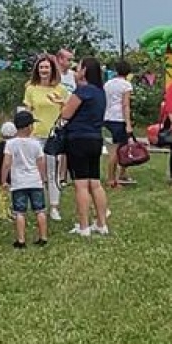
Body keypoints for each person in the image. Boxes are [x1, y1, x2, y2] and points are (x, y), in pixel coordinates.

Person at [57, 56, 111, 236]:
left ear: (85, 71)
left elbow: (66, 114)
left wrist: (62, 104)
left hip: (78, 139)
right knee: (95, 183)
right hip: (95, 138)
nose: (75, 70)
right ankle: (102, 223)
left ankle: (83, 225)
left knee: (80, 184)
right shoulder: (100, 92)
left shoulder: (82, 91)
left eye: (78, 67)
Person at [22, 55, 68, 219]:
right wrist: (25, 133)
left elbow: (67, 110)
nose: (44, 70)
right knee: (34, 171)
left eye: (47, 67)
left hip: (53, 135)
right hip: (35, 135)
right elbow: (27, 112)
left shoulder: (61, 89)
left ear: (52, 70)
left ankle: (54, 206)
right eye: (41, 67)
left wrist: (61, 103)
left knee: (52, 171)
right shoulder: (31, 89)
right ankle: (36, 205)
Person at [3, 109, 50, 247]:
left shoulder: (10, 144)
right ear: (29, 126)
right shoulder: (36, 143)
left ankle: (21, 240)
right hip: (35, 181)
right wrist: (43, 178)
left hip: (19, 183)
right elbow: (41, 162)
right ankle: (43, 237)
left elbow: (6, 163)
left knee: (20, 213)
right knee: (40, 210)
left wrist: (4, 180)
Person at [103, 60, 135, 188]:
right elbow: (125, 105)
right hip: (119, 119)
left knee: (118, 148)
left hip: (107, 117)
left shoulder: (108, 84)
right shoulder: (126, 85)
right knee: (117, 151)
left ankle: (122, 174)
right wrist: (128, 123)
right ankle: (111, 179)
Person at [0, 120, 16, 221]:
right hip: (7, 173)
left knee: (6, 193)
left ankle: (7, 210)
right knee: (5, 194)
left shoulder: (1, 145)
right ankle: (2, 212)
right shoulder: (10, 146)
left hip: (1, 172)